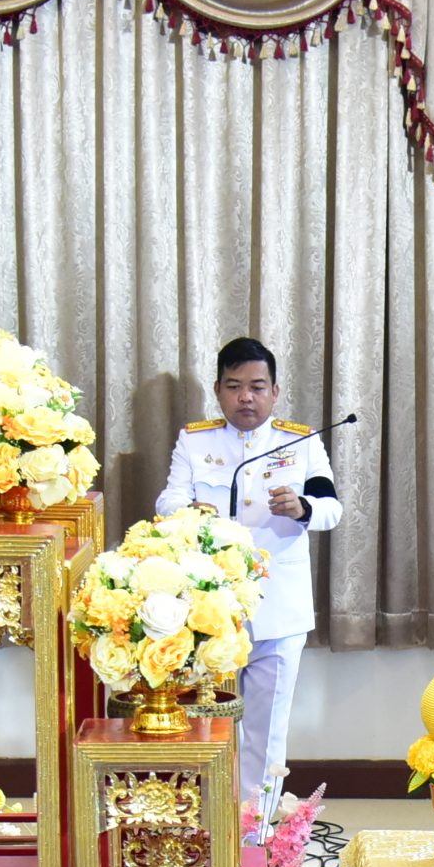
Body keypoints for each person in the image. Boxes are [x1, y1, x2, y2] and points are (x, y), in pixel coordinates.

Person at [155, 337, 342, 808]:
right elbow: (168, 500)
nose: (246, 397)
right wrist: (188, 511)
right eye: (234, 386)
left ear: (275, 392)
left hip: (278, 608)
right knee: (202, 722)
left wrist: (302, 507)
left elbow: (331, 508)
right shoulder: (196, 440)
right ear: (218, 390)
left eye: (257, 387)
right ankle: (203, 816)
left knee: (267, 727)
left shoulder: (300, 441)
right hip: (207, 609)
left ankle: (255, 827)